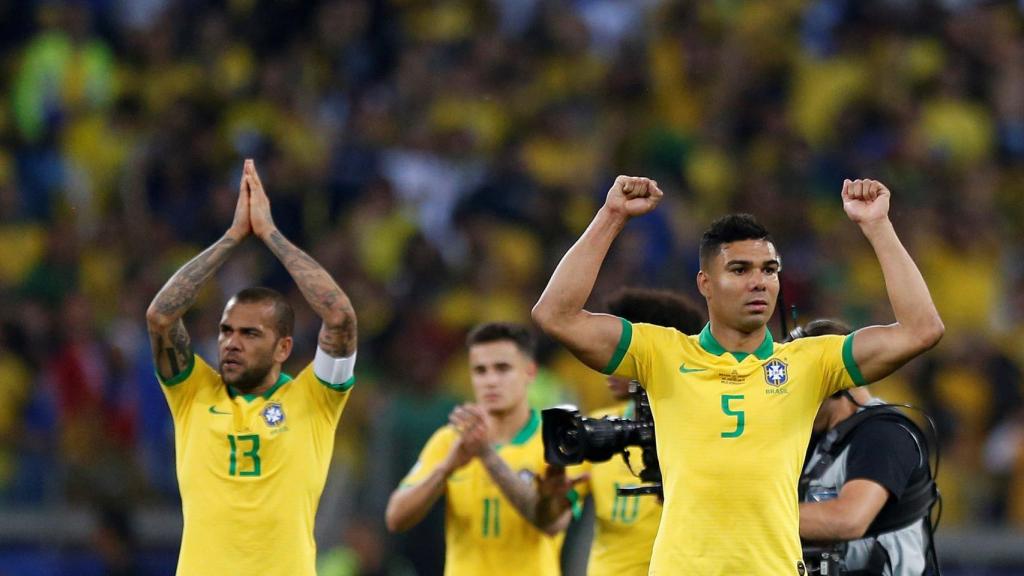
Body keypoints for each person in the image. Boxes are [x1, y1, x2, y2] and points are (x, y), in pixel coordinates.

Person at [531, 176, 944, 575]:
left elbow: (920, 330)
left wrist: (878, 227)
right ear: (705, 283)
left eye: (769, 269)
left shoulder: (812, 362)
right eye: (741, 270)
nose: (759, 283)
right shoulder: (661, 354)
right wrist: (611, 215)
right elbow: (556, 315)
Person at [145, 159, 358, 576]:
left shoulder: (314, 397)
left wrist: (270, 235)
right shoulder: (193, 393)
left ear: (283, 347)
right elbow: (160, 317)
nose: (231, 343)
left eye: (249, 334)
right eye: (226, 331)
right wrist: (232, 237)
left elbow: (340, 317)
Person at [385, 322, 575, 575]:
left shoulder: (555, 442)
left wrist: (487, 455)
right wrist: (445, 469)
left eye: (502, 368)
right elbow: (396, 518)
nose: (490, 381)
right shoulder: (450, 440)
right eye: (480, 371)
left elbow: (552, 525)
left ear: (530, 372)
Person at [541, 287, 706, 576]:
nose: (606, 364)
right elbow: (550, 522)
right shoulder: (597, 429)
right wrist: (549, 498)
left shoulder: (707, 430)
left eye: (618, 352)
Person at [796, 319, 938, 576]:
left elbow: (848, 519)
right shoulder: (818, 439)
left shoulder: (883, 435)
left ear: (836, 383)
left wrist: (757, 518)